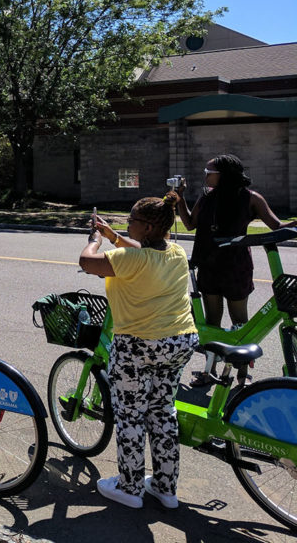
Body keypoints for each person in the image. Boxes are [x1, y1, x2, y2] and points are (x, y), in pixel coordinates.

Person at [81, 195, 199, 510]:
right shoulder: (176, 253)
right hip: (179, 341)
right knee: (162, 411)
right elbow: (140, 251)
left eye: (131, 220)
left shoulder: (128, 260)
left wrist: (94, 240)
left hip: (139, 345)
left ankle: (130, 487)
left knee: (131, 415)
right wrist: (114, 236)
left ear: (146, 227)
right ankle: (164, 487)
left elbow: (87, 262)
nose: (127, 223)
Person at [175, 154, 294, 336]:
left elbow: (277, 227)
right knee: (212, 321)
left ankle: (241, 364)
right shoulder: (207, 196)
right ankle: (212, 363)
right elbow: (190, 224)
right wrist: (180, 198)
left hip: (236, 267)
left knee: (239, 322)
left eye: (209, 172)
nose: (205, 176)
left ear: (225, 174)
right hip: (209, 264)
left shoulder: (251, 198)